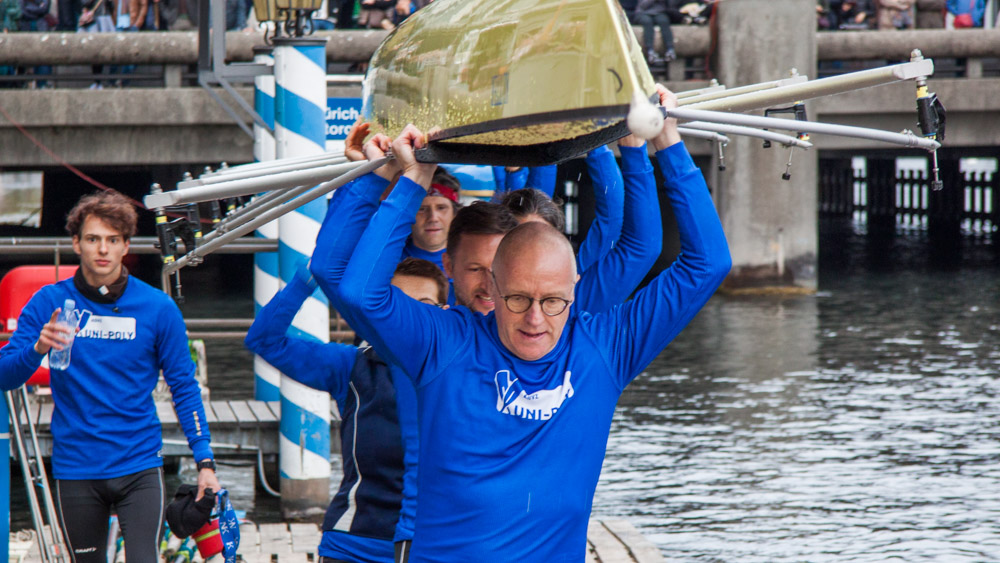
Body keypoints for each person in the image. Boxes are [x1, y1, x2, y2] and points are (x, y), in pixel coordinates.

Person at [337, 86, 731, 560]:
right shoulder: (444, 342)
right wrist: (411, 178)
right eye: (519, 299)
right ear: (492, 288)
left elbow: (707, 264)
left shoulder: (605, 346)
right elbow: (359, 291)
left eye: (554, 302)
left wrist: (664, 138)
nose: (535, 321)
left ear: (575, 287)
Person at [0, 191, 220, 563]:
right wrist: (36, 348)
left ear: (125, 247)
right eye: (93, 239)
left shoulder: (158, 308)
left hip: (138, 466)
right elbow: (5, 376)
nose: (102, 249)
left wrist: (205, 463)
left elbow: (184, 387)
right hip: (76, 467)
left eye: (112, 240)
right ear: (76, 244)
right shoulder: (47, 302)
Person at [246, 257, 447, 563]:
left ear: (443, 313)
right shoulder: (351, 366)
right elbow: (264, 340)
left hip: (434, 545)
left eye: (424, 305)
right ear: (381, 312)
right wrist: (308, 277)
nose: (411, 316)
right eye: (400, 304)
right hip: (355, 546)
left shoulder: (462, 371)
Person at [401, 168, 461, 273]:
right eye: (422, 209)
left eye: (441, 208)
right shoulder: (390, 258)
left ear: (455, 214)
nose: (433, 218)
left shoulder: (470, 258)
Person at [631, 0, 678, 65]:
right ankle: (650, 51)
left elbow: (670, 6)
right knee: (647, 22)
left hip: (659, 13)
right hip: (643, 13)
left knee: (664, 21)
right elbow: (642, 6)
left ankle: (670, 50)